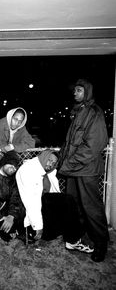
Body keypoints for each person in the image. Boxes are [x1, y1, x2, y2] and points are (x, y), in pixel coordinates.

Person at [58, 79, 109, 262]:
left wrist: (71, 161)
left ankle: (101, 245)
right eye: (75, 90)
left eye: (79, 90)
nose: (75, 93)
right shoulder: (78, 112)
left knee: (91, 208)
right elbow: (71, 142)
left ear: (86, 92)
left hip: (86, 169)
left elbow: (95, 144)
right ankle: (79, 239)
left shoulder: (94, 112)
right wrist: (63, 159)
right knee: (75, 206)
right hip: (74, 169)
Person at [16, 149, 93, 254]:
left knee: (68, 202)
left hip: (41, 204)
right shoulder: (30, 171)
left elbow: (54, 191)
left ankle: (72, 237)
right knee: (67, 200)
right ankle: (72, 240)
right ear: (43, 157)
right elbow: (32, 202)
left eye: (54, 163)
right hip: (26, 208)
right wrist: (38, 226)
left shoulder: (45, 169)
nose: (51, 164)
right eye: (49, 160)